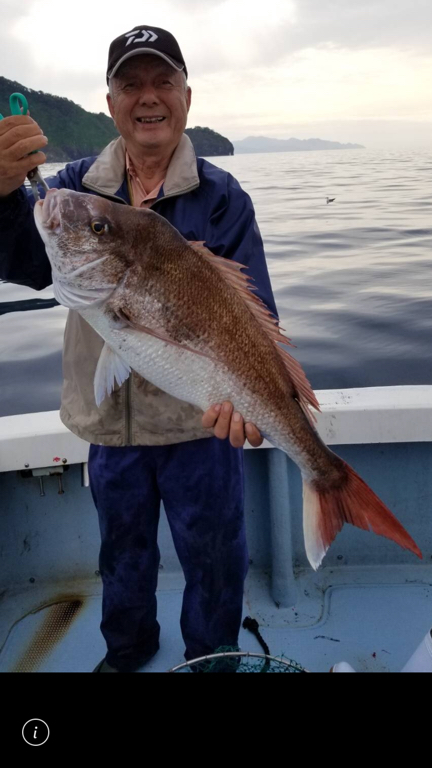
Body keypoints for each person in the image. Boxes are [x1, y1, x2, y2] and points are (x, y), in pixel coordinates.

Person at [0, 26, 278, 672]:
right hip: (111, 427)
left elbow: (257, 316)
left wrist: (255, 400)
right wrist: (2, 195)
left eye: (163, 81)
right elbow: (24, 260)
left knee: (215, 555)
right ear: (110, 102)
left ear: (187, 96)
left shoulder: (223, 199)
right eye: (131, 84)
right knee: (121, 554)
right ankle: (127, 653)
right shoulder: (73, 188)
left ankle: (212, 660)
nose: (148, 96)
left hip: (201, 423)